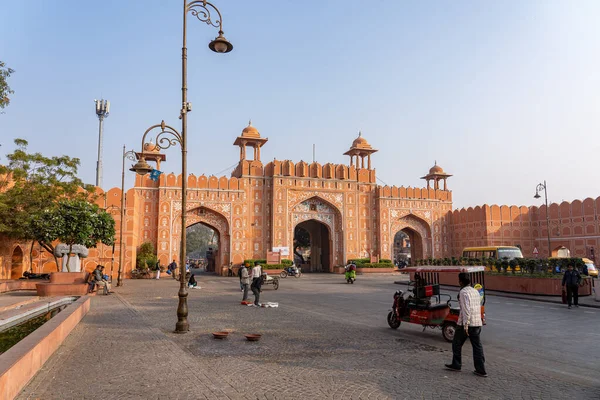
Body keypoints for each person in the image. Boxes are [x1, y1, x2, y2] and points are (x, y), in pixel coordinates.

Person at [445, 272, 486, 377]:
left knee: (456, 343)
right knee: (477, 346)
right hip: (477, 322)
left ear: (460, 282)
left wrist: (466, 325)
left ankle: (456, 364)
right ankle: (481, 369)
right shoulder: (475, 291)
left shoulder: (463, 292)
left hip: (466, 324)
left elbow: (466, 309)